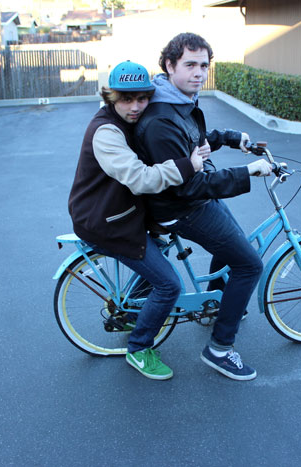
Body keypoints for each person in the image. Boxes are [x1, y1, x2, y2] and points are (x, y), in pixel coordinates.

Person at [134, 33, 273, 381]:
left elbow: (194, 145)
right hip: (181, 206)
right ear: (169, 65)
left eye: (204, 66)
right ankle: (220, 349)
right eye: (190, 65)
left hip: (192, 198)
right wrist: (247, 172)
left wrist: (228, 137)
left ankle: (220, 305)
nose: (199, 73)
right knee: (250, 265)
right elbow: (189, 183)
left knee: (234, 245)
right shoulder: (161, 119)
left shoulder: (179, 101)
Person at [67, 60, 207, 381]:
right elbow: (140, 178)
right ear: (111, 98)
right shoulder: (106, 132)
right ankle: (139, 348)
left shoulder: (133, 122)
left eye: (142, 98)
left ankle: (135, 313)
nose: (135, 107)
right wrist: (189, 165)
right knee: (169, 285)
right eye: (126, 99)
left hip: (120, 213)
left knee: (161, 248)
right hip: (105, 223)